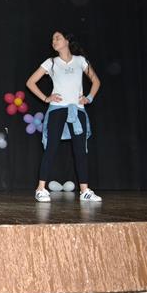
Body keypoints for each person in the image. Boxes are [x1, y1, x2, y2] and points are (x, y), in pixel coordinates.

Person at [26, 31, 102, 203]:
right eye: (52, 39)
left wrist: (89, 97)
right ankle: (41, 189)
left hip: (77, 110)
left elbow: (96, 81)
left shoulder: (80, 61)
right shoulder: (51, 62)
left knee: (80, 151)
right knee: (51, 147)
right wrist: (46, 98)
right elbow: (30, 82)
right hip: (57, 109)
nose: (54, 41)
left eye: (57, 38)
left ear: (67, 41)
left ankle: (85, 191)